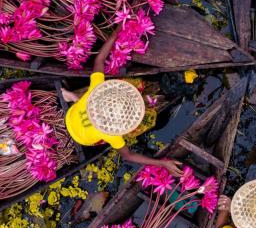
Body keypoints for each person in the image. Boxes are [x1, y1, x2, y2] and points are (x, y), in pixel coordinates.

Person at [63, 31, 183, 176]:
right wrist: (162, 163)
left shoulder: (96, 88)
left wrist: (115, 34)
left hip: (72, 115)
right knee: (145, 120)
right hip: (83, 139)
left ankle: (76, 98)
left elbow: (99, 60)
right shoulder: (111, 135)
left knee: (91, 94)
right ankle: (75, 97)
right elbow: (128, 156)